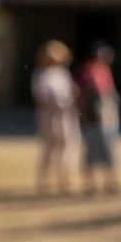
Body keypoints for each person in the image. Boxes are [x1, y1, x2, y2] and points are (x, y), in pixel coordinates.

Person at [31, 41, 80, 195]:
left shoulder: (63, 73)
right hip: (50, 115)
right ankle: (43, 180)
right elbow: (41, 97)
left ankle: (64, 178)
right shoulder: (41, 75)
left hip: (66, 113)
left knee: (67, 146)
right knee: (49, 147)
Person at [75, 42, 121, 195]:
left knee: (109, 149)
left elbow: (110, 95)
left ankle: (111, 182)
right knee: (91, 150)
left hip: (107, 116)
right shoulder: (85, 72)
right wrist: (83, 116)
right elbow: (81, 96)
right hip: (92, 117)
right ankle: (90, 184)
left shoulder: (105, 71)